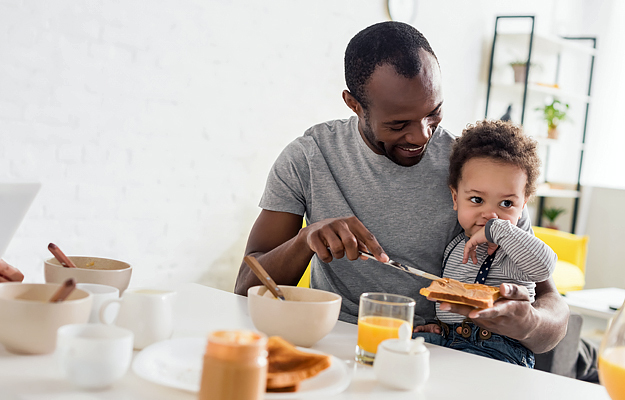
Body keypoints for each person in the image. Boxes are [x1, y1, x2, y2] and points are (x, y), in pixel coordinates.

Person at [234, 21, 569, 355]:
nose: (422, 135)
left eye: (433, 113)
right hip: (341, 344)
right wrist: (304, 240)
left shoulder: (475, 169)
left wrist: (528, 323)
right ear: (354, 104)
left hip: (443, 351)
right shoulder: (309, 157)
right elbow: (245, 289)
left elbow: (551, 315)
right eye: (398, 124)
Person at [413, 120, 556, 367]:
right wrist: (439, 326)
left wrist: (499, 230)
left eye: (506, 204)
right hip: (450, 339)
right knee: (403, 347)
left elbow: (545, 267)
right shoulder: (454, 246)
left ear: (524, 205)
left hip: (500, 349)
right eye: (477, 199)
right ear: (455, 198)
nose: (491, 214)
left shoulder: (515, 248)